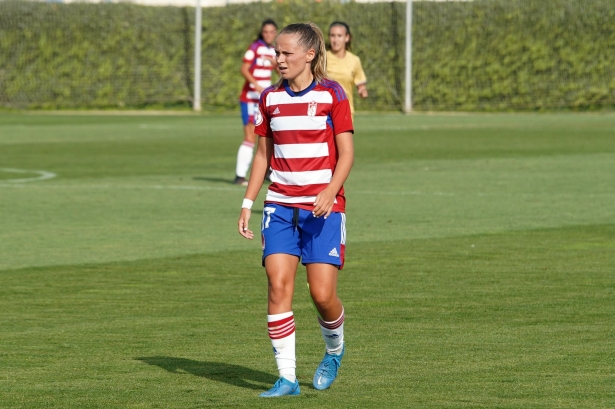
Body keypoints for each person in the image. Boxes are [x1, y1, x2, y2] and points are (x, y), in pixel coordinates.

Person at [237, 22, 354, 398]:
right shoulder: (269, 99)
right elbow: (262, 156)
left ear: (309, 55)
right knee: (277, 285)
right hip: (281, 207)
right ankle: (287, 379)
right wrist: (247, 203)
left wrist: (330, 191)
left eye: (287, 53)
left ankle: (334, 350)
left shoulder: (332, 93)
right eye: (277, 53)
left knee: (321, 295)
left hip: (323, 209)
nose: (279, 59)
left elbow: (347, 152)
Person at [234, 19, 278, 186]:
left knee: (272, 134)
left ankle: (268, 171)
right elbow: (244, 69)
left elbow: (280, 68)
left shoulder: (274, 50)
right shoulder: (254, 48)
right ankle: (239, 176)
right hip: (250, 99)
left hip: (264, 100)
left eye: (271, 32)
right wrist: (256, 84)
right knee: (250, 137)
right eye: (265, 32)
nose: (268, 35)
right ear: (262, 32)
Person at [326, 21, 367, 115]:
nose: (335, 40)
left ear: (347, 38)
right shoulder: (322, 59)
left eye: (339, 36)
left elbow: (360, 85)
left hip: (346, 112)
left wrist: (362, 90)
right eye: (333, 35)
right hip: (326, 112)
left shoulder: (354, 60)